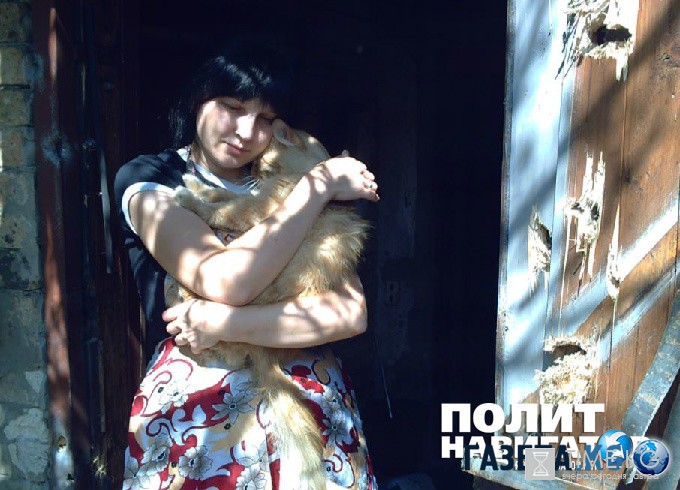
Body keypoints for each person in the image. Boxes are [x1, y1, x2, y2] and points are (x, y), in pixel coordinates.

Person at [114, 38, 379, 490]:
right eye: (232, 107)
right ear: (198, 98)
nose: (245, 131)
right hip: (204, 409)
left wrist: (222, 323)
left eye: (265, 119)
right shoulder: (152, 180)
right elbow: (224, 279)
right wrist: (316, 187)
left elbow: (349, 312)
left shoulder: (287, 174)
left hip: (309, 401)